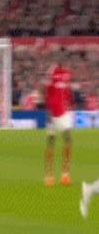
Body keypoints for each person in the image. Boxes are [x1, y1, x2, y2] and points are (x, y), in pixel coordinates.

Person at [43, 51, 73, 187]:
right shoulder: (51, 72)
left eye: (64, 57)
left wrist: (70, 104)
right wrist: (48, 111)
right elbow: (45, 91)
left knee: (68, 139)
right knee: (51, 142)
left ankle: (65, 175)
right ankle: (49, 176)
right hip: (52, 113)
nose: (62, 59)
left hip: (63, 112)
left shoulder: (66, 73)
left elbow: (66, 91)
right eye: (59, 57)